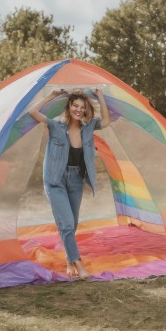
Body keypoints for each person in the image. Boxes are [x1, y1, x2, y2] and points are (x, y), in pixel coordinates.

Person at [29, 88, 110, 279]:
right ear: (69, 106)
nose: (79, 110)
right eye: (75, 105)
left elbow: (106, 121)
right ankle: (79, 264)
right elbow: (32, 112)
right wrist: (52, 96)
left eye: (82, 107)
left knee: (71, 224)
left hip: (76, 179)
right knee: (66, 224)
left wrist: (100, 97)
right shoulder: (55, 126)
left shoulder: (89, 127)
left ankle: (69, 260)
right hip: (55, 180)